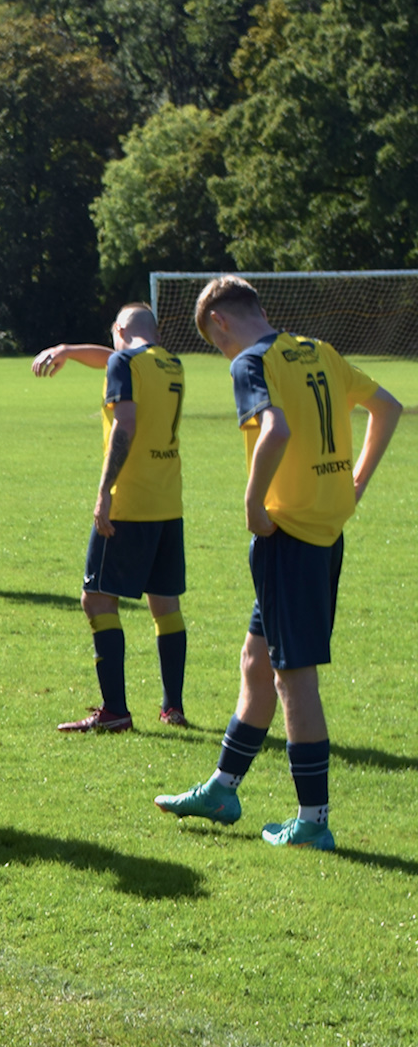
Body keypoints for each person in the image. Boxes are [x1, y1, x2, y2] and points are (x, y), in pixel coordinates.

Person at [154, 276, 401, 850]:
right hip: (323, 532)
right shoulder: (319, 351)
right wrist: (355, 483)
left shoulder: (251, 363)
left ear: (219, 322)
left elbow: (277, 429)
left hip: (289, 536)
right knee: (255, 662)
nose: (223, 357)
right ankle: (223, 787)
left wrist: (251, 503)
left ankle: (313, 822)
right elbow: (385, 408)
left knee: (294, 677)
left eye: (216, 346)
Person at [31, 305, 189, 732]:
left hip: (129, 501)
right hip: (167, 501)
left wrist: (104, 491)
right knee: (165, 604)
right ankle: (172, 706)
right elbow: (115, 358)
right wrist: (67, 349)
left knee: (97, 598)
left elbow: (125, 424)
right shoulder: (169, 363)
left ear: (120, 331)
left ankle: (114, 710)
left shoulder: (125, 361)